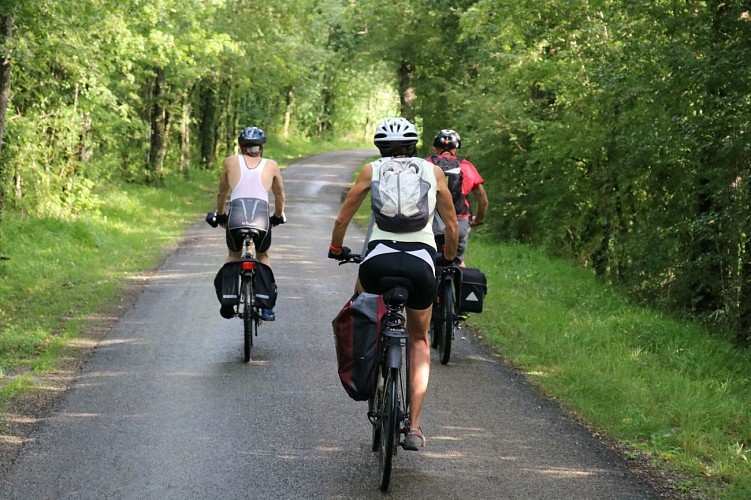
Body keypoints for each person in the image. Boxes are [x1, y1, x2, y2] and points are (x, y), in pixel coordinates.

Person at [328, 117, 458, 451]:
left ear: (380, 147)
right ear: (414, 146)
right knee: (418, 340)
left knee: (363, 313)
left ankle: (364, 370)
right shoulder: (434, 172)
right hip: (420, 265)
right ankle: (414, 428)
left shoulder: (371, 171)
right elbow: (452, 226)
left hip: (376, 263)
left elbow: (343, 217)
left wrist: (335, 248)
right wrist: (446, 256)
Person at [216, 126, 286, 320]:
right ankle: (266, 307)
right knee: (263, 256)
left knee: (233, 255)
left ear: (241, 146)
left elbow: (222, 193)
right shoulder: (271, 165)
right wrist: (278, 216)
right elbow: (279, 194)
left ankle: (228, 300)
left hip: (236, 218)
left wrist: (220, 215)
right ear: (261, 147)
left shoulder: (230, 162)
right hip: (261, 218)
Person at [427, 129, 489, 268]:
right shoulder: (466, 166)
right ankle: (462, 287)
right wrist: (478, 219)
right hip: (459, 223)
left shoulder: (426, 164)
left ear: (436, 148)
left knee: (428, 262)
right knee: (458, 261)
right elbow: (483, 200)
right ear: (456, 150)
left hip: (431, 223)